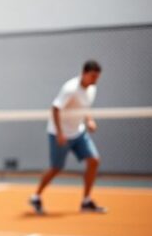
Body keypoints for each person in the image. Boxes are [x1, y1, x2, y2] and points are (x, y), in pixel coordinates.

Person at [30, 60, 105, 214]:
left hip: (79, 132)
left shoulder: (92, 89)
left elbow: (85, 107)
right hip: (60, 133)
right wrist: (59, 133)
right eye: (92, 76)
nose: (95, 80)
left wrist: (89, 120)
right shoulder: (70, 89)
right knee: (56, 168)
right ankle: (36, 196)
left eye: (97, 77)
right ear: (84, 74)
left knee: (94, 161)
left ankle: (86, 201)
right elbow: (56, 109)